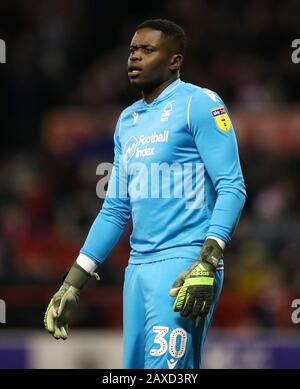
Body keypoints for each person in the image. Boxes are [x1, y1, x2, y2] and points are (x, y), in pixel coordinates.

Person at [44, 19, 246, 369]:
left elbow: (232, 186)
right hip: (137, 272)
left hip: (185, 265)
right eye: (132, 50)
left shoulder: (199, 104)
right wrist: (72, 283)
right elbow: (115, 210)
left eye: (147, 50)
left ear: (175, 61)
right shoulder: (127, 121)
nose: (134, 58)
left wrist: (207, 262)